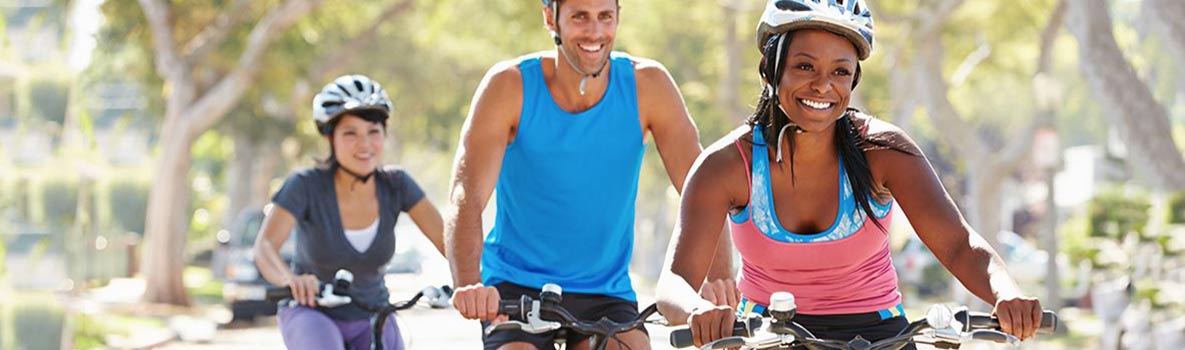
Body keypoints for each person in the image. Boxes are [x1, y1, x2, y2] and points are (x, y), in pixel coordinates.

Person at [654, 0, 1044, 348]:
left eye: (840, 72)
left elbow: (958, 246)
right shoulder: (726, 165)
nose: (823, 85)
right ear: (771, 69)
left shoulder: (884, 151)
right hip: (769, 335)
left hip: (879, 336)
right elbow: (675, 283)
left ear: (853, 80)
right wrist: (697, 311)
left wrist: (1005, 293)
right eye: (804, 66)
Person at [443, 0, 716, 348]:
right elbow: (465, 195)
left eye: (605, 17)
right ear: (550, 19)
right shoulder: (508, 87)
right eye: (579, 17)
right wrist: (469, 284)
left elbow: (702, 190)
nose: (595, 31)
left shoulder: (649, 86)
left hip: (604, 290)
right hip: (516, 287)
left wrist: (718, 277)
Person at [253, 74, 446, 350]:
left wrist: (481, 282)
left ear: (384, 135)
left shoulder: (397, 185)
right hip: (312, 312)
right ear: (331, 138)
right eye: (350, 133)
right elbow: (265, 246)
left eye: (373, 132)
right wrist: (291, 280)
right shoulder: (306, 185)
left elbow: (448, 241)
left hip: (374, 313)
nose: (364, 144)